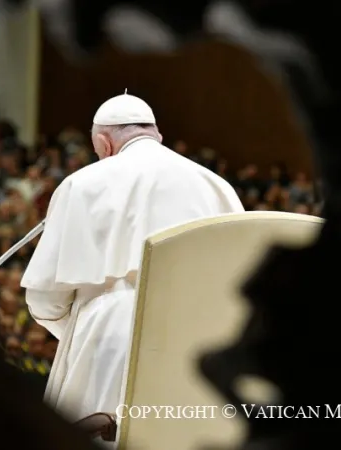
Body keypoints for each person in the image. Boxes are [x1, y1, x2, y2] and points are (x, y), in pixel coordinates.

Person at [20, 93, 245, 423]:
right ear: (157, 135)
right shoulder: (217, 186)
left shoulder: (81, 184)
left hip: (106, 341)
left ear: (103, 143)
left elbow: (44, 297)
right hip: (193, 344)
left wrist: (80, 327)